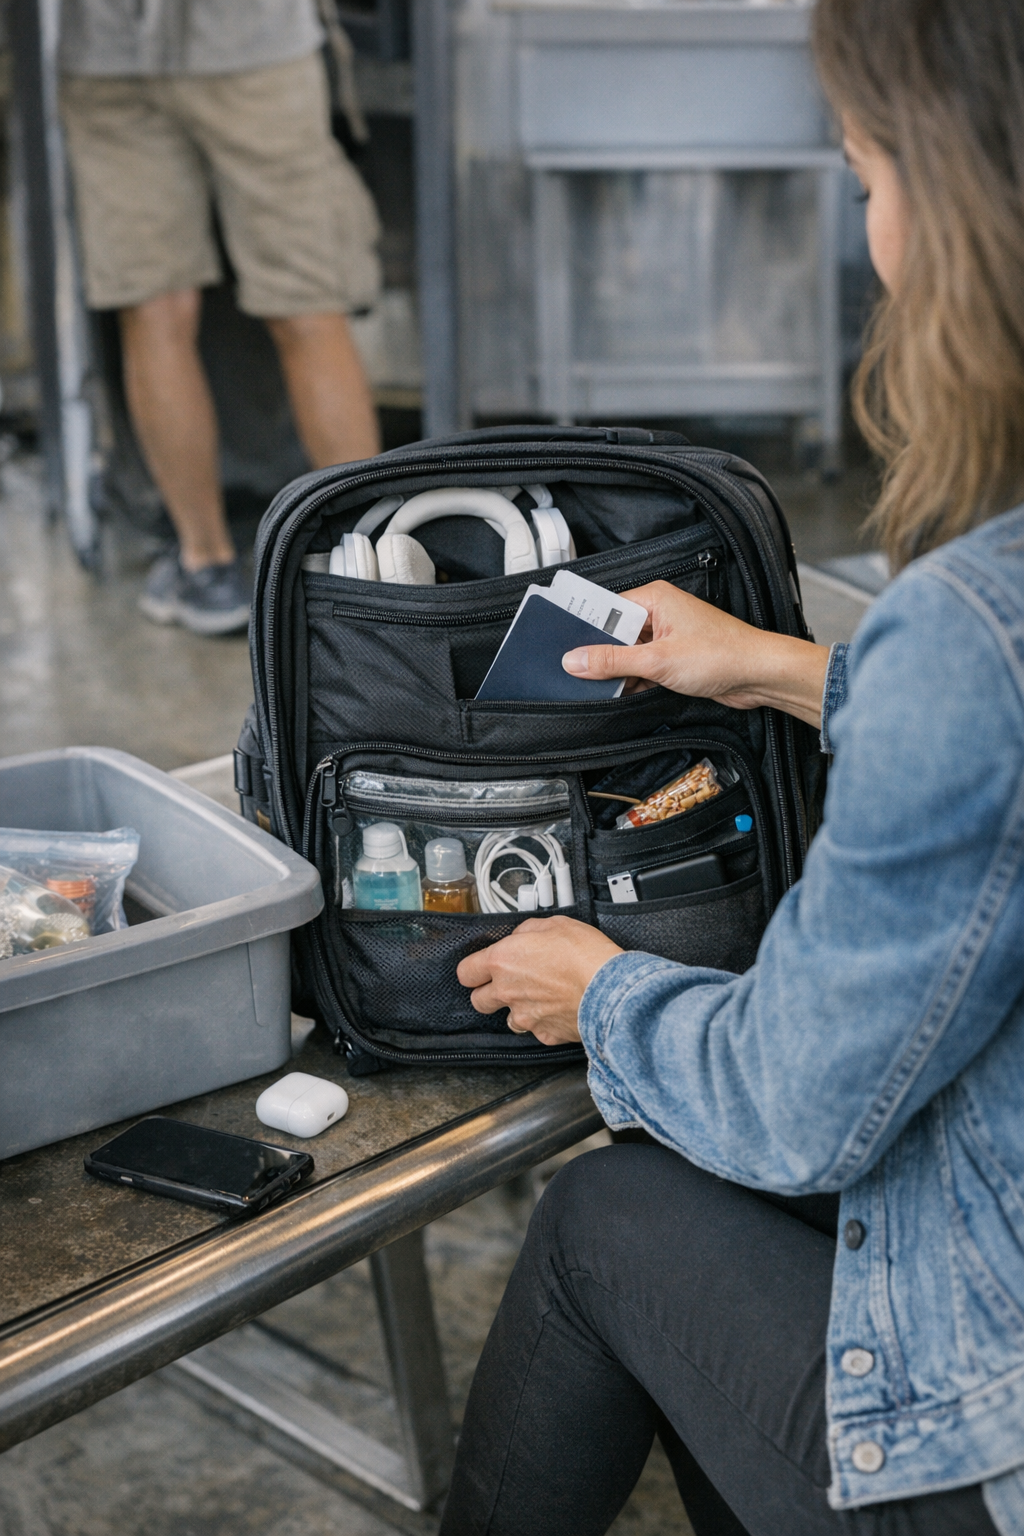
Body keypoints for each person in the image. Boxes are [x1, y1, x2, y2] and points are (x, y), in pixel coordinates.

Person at [439, 2, 1024, 1532]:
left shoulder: (971, 626)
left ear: (960, 205)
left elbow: (795, 1107)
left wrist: (601, 994)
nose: (872, 225)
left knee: (609, 1218)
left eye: (868, 175)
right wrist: (784, 669)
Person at [58, 0, 382, 635]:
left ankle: (206, 564)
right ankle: (366, 561)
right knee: (303, 306)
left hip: (121, 47)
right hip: (238, 44)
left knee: (159, 310)